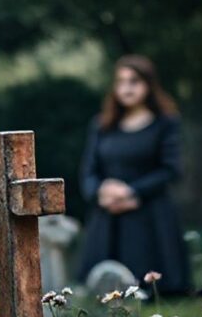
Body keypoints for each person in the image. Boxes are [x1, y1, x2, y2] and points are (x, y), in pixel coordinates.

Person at [78, 55, 191, 294]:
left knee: (152, 289)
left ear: (149, 85)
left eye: (134, 81)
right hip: (107, 217)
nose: (126, 88)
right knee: (102, 291)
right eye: (120, 82)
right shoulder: (102, 125)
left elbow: (171, 170)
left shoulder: (165, 123)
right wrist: (101, 192)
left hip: (151, 215)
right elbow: (88, 171)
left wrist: (131, 191)